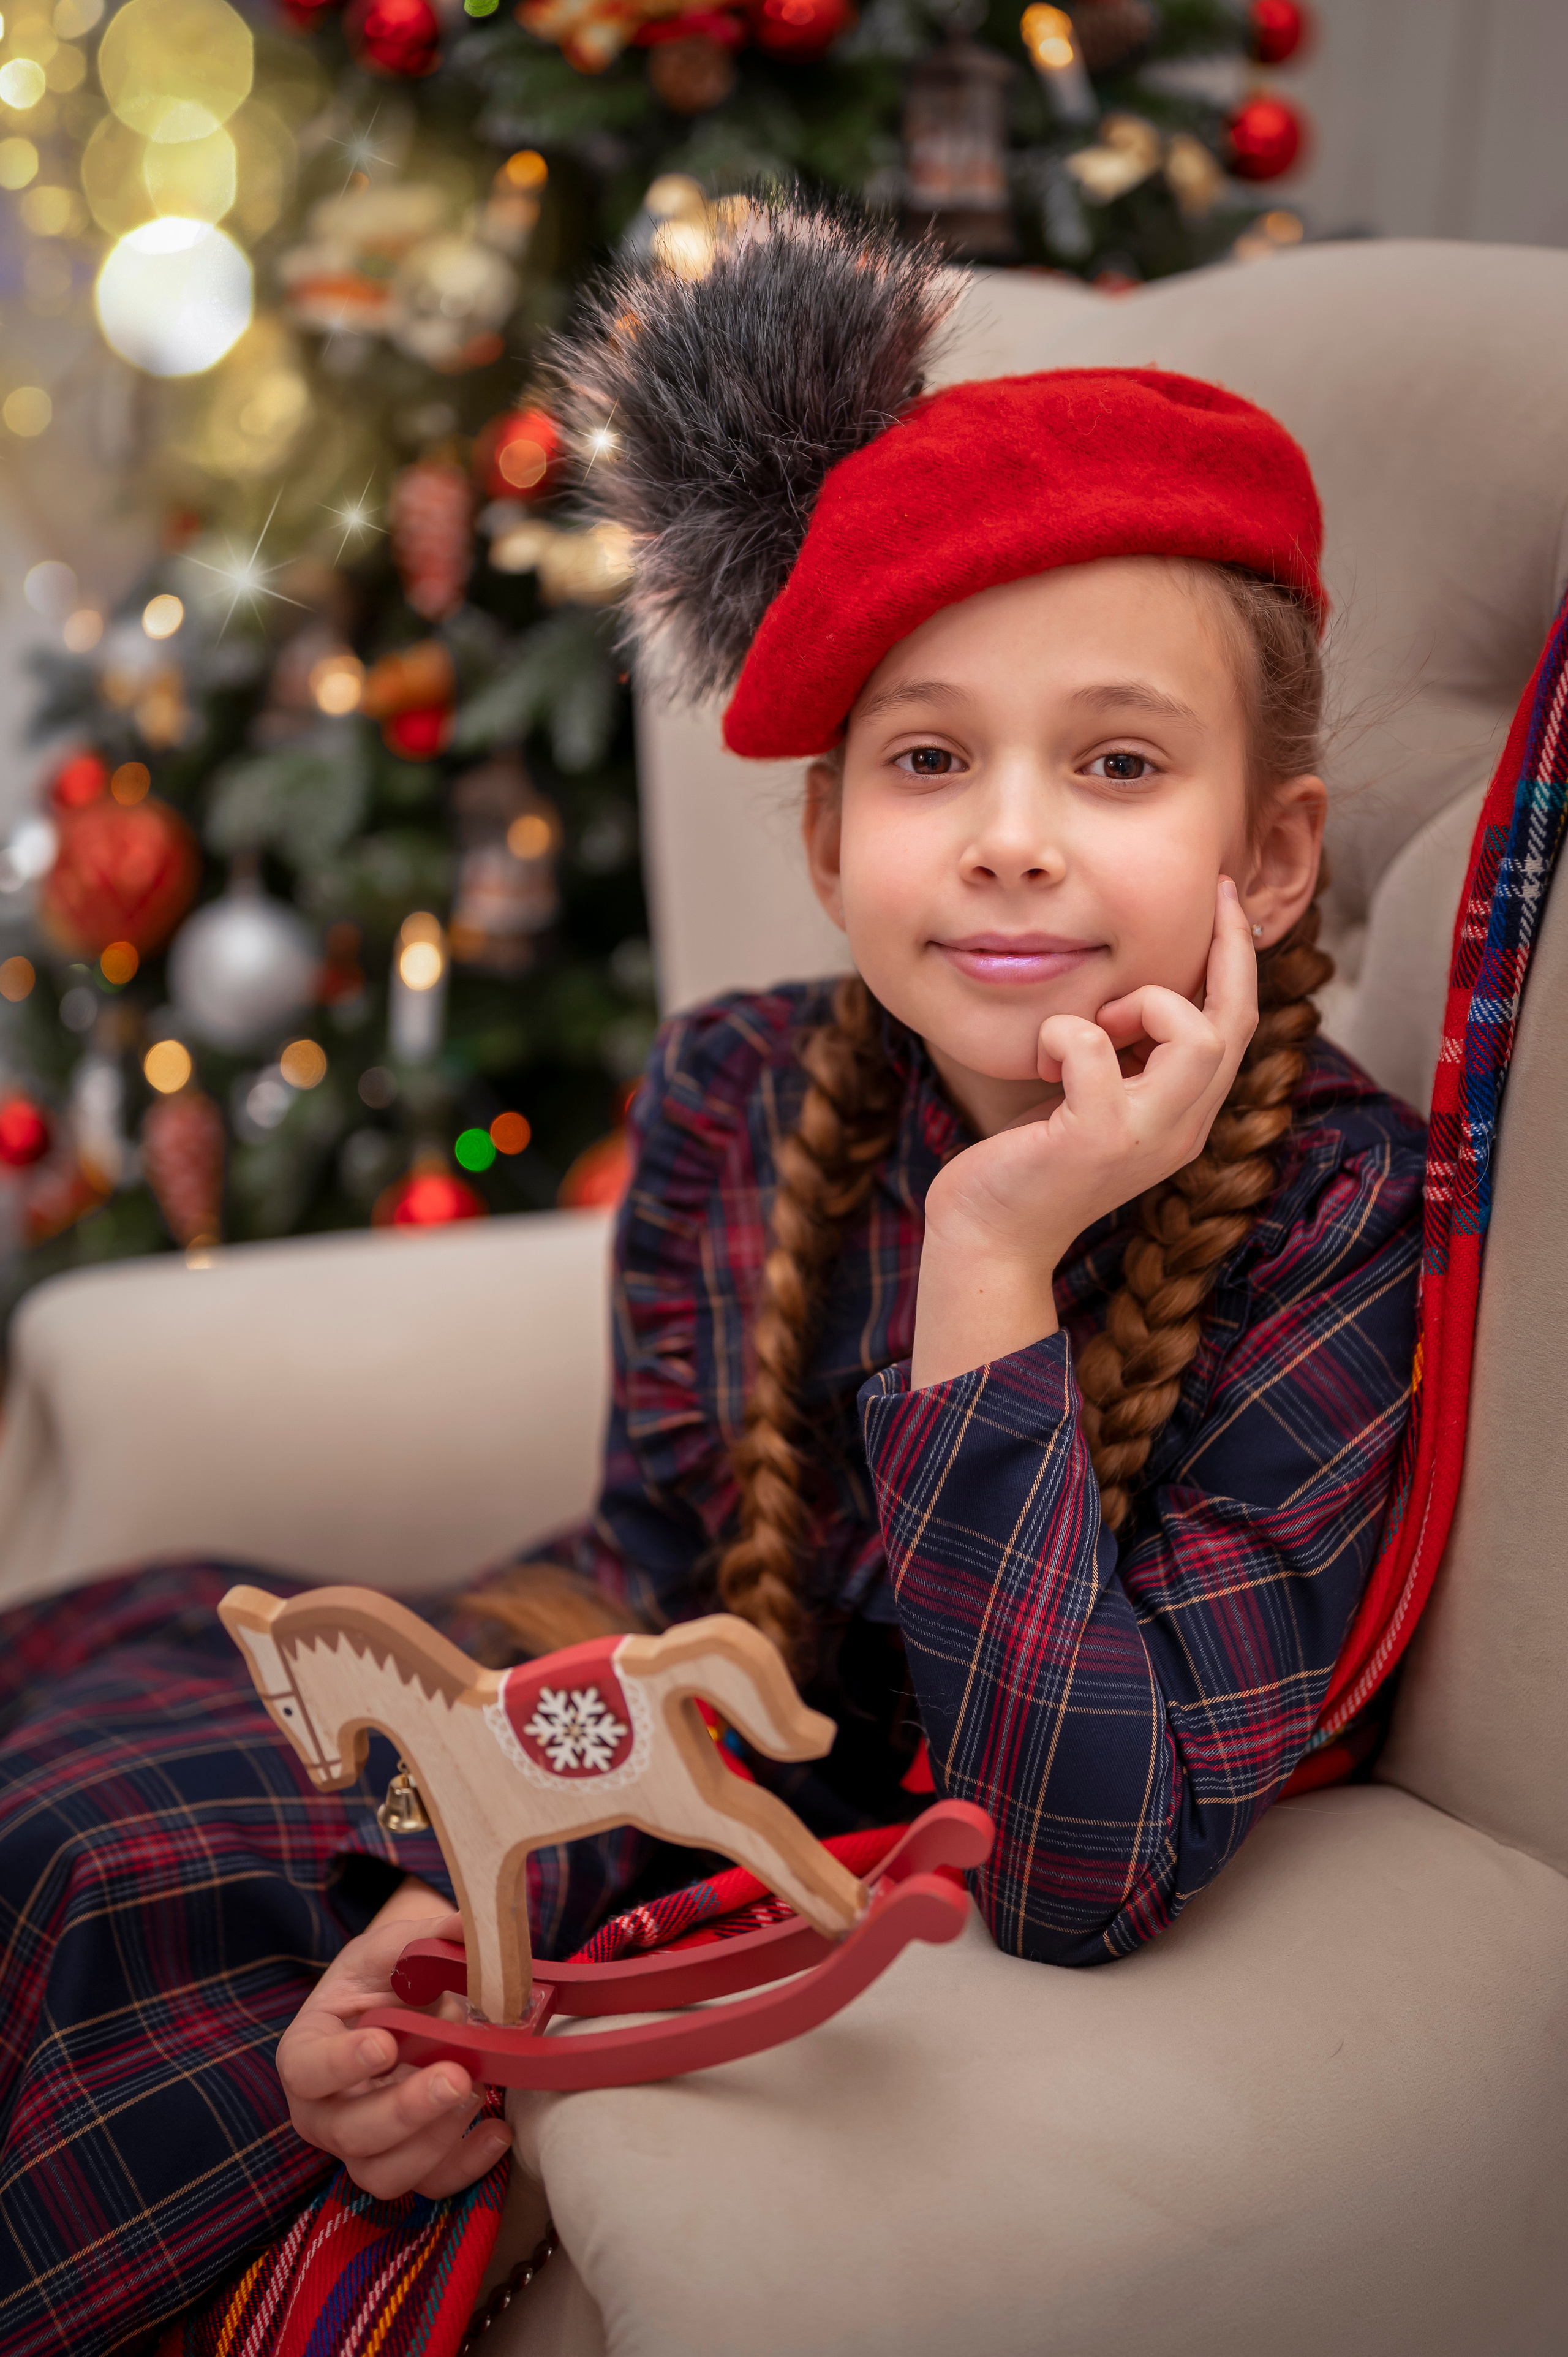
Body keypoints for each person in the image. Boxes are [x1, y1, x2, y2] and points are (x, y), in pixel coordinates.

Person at [0, 195, 1425, 2345]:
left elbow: (1074, 1858)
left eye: (1118, 763)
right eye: (932, 760)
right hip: (613, 1708)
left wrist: (996, 1248)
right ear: (832, 832)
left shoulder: (1339, 1219)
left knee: (127, 1893)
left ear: (1275, 852)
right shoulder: (741, 1085)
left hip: (823, 1834)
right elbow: (656, 1570)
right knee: (67, 1770)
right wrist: (455, 1883)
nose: (1014, 834)